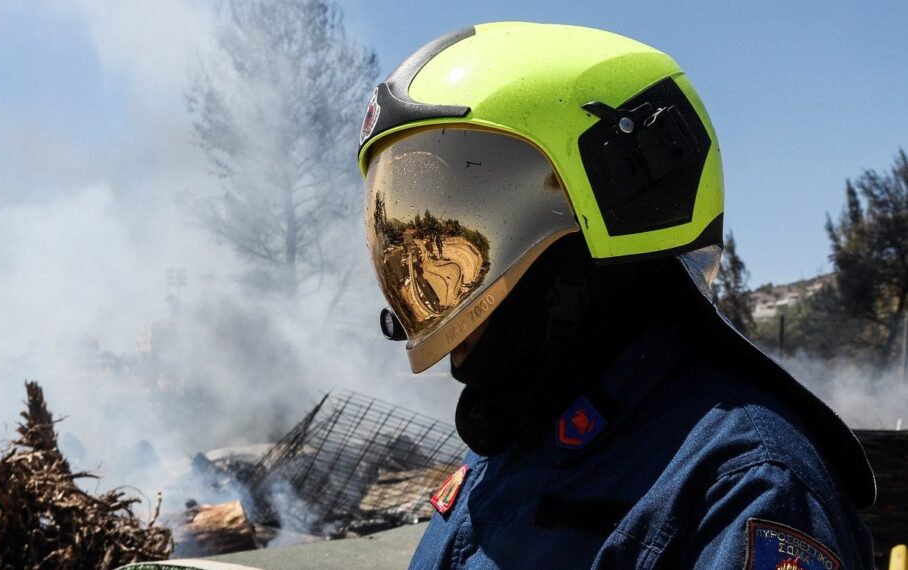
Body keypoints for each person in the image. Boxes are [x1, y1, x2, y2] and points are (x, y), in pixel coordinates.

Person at [357, 22, 875, 569]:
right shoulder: (515, 446)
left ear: (612, 209)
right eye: (401, 242)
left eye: (461, 234)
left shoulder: (745, 489)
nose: (421, 281)